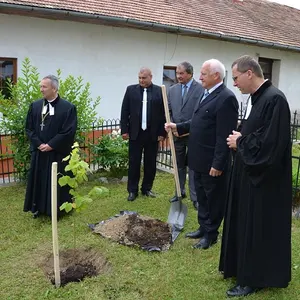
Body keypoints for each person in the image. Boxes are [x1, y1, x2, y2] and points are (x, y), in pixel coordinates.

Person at [219, 55, 292, 297]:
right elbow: (256, 131)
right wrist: (241, 136)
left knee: (258, 228)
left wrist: (240, 142)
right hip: (249, 175)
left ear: (250, 73)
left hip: (264, 181)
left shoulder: (275, 100)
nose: (235, 83)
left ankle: (255, 277)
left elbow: (271, 144)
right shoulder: (257, 99)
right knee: (244, 223)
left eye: (237, 78)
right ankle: (239, 267)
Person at [165, 59, 238, 249]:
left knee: (213, 198)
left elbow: (224, 135)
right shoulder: (205, 94)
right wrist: (178, 127)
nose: (199, 77)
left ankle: (211, 234)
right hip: (197, 159)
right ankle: (203, 227)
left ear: (216, 76)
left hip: (211, 162)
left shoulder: (226, 98)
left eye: (203, 74)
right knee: (202, 198)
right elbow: (197, 122)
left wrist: (218, 164)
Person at [24, 75, 77, 218]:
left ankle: (58, 209)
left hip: (57, 153)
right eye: (40, 86)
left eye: (44, 87)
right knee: (39, 181)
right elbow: (29, 128)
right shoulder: (35, 106)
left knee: (57, 181)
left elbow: (68, 131)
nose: (41, 89)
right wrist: (39, 144)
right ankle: (38, 208)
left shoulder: (68, 108)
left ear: (54, 88)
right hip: (40, 152)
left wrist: (51, 145)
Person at [120, 67, 165, 201]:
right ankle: (132, 191)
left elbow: (164, 113)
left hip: (152, 134)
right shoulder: (131, 90)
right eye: (139, 78)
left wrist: (162, 132)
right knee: (134, 163)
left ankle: (147, 188)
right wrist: (124, 130)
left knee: (150, 163)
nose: (141, 80)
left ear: (151, 77)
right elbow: (124, 111)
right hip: (135, 133)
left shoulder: (159, 91)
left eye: (144, 78)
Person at [168, 61, 203, 210]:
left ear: (190, 73)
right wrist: (172, 126)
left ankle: (195, 196)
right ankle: (179, 191)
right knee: (178, 164)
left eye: (181, 73)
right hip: (176, 134)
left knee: (193, 166)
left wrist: (185, 128)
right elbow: (168, 110)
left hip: (193, 134)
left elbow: (200, 113)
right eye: (177, 73)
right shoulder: (172, 90)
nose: (178, 76)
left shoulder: (200, 89)